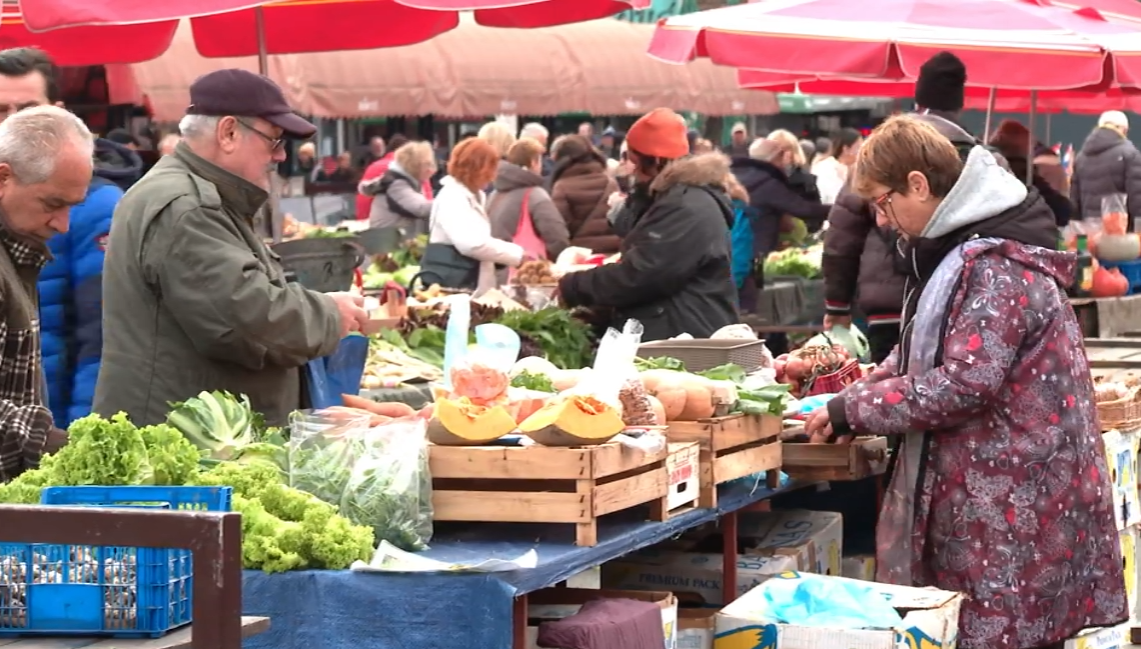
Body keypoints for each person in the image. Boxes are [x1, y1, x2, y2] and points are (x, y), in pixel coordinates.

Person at [808, 115, 1126, 649]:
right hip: (999, 493)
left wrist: (853, 410)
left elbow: (963, 382)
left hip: (1014, 498)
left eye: (885, 202)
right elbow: (919, 356)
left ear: (918, 184)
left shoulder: (994, 265)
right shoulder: (965, 250)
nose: (883, 221)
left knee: (1006, 632)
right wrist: (852, 393)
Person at [93, 69, 370, 427]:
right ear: (228, 132)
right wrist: (330, 314)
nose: (281, 156)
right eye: (274, 140)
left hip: (198, 436)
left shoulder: (195, 196)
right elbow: (247, 321)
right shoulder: (186, 206)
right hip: (189, 445)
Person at [824, 50, 984, 364]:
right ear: (959, 101)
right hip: (964, 308)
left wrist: (837, 304)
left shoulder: (882, 153)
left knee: (893, 390)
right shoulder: (981, 159)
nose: (888, 219)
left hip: (890, 306)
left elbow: (842, 237)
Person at [558, 108, 738, 342]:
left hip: (685, 337)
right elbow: (640, 233)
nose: (631, 170)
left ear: (654, 161)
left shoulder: (686, 206)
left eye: (634, 161)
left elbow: (642, 274)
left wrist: (574, 286)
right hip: (677, 329)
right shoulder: (671, 196)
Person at [0, 106, 95, 480]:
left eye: (72, 206)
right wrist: (61, 447)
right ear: (3, 178)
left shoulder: (16, 249)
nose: (63, 224)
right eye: (53, 204)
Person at [40, 123, 142, 427]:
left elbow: (102, 340)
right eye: (1, 110)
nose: (13, 121)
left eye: (29, 108)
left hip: (50, 423)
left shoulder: (97, 203)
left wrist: (79, 434)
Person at [730, 138, 831, 311]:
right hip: (755, 258)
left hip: (730, 254)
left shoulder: (733, 176)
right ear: (776, 158)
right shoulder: (767, 183)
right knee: (756, 311)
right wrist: (845, 208)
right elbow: (804, 209)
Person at [420, 138, 525, 294]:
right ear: (477, 169)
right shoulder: (453, 197)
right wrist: (517, 255)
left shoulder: (473, 195)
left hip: (471, 285)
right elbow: (472, 244)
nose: (493, 176)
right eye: (490, 169)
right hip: (457, 287)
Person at [489, 137, 569, 263]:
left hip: (494, 270)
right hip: (528, 273)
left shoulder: (494, 195)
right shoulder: (536, 196)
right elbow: (558, 238)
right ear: (533, 162)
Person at [988, 119, 1072, 227]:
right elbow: (1061, 211)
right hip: (1018, 234)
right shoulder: (1023, 174)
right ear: (1025, 147)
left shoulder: (983, 167)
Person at [550, 135, 621, 254]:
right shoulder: (610, 182)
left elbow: (558, 228)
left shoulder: (561, 187)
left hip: (580, 257)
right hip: (612, 255)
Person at [1071, 110, 1141, 226]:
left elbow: (1074, 199)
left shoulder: (1081, 156)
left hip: (1089, 230)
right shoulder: (1130, 154)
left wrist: (1080, 238)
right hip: (1119, 231)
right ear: (1123, 129)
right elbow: (1137, 197)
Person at [360, 141, 435, 233]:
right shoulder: (397, 185)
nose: (431, 170)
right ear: (414, 166)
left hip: (390, 238)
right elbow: (420, 208)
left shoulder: (403, 181)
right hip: (389, 241)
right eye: (427, 165)